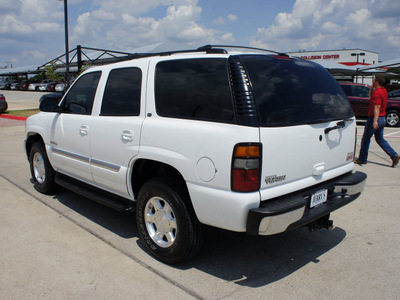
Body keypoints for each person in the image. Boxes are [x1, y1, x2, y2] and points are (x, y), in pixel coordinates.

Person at [355, 75, 400, 167]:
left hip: (375, 118)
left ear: (377, 81)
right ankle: (394, 155)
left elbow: (377, 107)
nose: (373, 81)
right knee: (380, 139)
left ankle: (362, 159)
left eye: (374, 80)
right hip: (382, 118)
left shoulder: (377, 93)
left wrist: (375, 121)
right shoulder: (383, 91)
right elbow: (371, 97)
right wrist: (372, 87)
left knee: (366, 139)